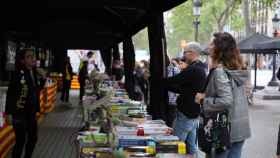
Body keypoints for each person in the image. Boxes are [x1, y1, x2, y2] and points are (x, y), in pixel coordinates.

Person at [195, 32, 251, 158]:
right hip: (239, 127)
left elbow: (226, 100)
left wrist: (203, 100)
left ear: (219, 49)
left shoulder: (220, 72)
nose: (209, 47)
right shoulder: (237, 69)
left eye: (212, 44)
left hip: (223, 130)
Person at [164, 42, 207, 157]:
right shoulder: (200, 68)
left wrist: (158, 81)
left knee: (176, 144)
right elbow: (184, 89)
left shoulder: (193, 69)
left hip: (186, 112)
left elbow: (176, 80)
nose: (183, 56)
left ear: (192, 53)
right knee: (191, 146)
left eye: (185, 53)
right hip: (194, 112)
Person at [5, 48, 46, 158]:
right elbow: (11, 94)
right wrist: (8, 113)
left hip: (31, 113)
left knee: (33, 138)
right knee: (20, 141)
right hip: (19, 112)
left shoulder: (33, 71)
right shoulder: (18, 74)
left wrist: (43, 78)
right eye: (29, 56)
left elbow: (37, 90)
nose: (33, 58)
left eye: (33, 56)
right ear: (22, 61)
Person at [166, 57, 180, 127]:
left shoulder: (174, 70)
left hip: (172, 100)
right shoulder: (175, 70)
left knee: (170, 120)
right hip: (172, 100)